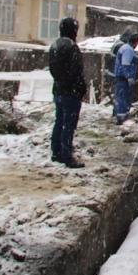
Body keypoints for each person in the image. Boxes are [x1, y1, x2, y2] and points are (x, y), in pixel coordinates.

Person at [48, 17, 87, 168]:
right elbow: (76, 71)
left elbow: (53, 69)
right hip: (71, 92)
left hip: (58, 90)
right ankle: (67, 155)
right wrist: (79, 88)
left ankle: (56, 151)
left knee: (59, 122)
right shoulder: (72, 47)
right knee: (69, 124)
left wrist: (60, 82)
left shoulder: (55, 45)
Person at [114, 32, 138, 123]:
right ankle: (122, 118)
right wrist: (129, 77)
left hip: (121, 77)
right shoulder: (128, 50)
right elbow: (125, 65)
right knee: (123, 97)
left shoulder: (125, 47)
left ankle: (121, 115)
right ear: (136, 42)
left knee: (122, 97)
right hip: (124, 79)